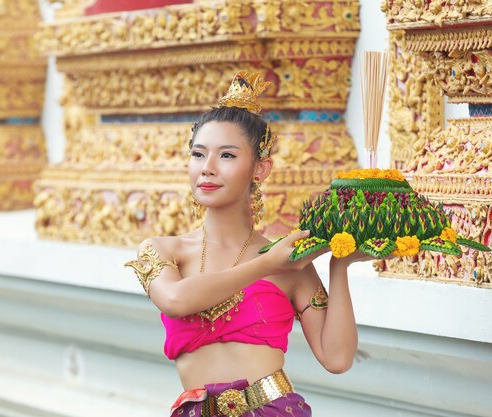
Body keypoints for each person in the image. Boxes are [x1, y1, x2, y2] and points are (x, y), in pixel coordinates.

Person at [125, 71, 369, 417]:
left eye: (226, 156)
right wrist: (267, 265)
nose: (207, 168)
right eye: (198, 154)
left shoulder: (292, 264)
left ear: (260, 169)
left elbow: (337, 358)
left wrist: (339, 265)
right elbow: (176, 300)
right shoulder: (164, 251)